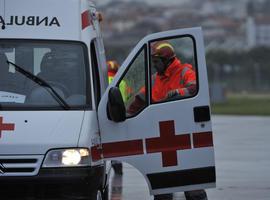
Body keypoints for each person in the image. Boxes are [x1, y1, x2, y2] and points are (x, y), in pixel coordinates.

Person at [127, 41, 207, 200]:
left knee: (193, 188)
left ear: (168, 60)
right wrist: (126, 115)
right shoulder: (154, 79)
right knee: (162, 189)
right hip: (161, 139)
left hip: (185, 135)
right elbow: (140, 99)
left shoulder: (185, 71)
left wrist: (178, 92)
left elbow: (195, 88)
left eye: (157, 62)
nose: (154, 65)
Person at [107, 60, 126, 175]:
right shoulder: (122, 82)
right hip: (119, 115)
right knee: (117, 143)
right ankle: (117, 165)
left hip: (106, 115)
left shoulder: (103, 79)